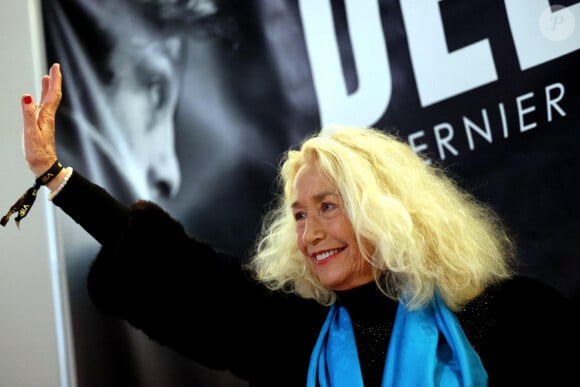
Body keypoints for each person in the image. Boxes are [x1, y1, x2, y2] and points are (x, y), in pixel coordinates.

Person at [6, 63, 579, 386]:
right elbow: (184, 274)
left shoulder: (511, 317)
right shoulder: (295, 340)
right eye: (300, 216)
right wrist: (56, 177)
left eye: (328, 207)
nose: (309, 233)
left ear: (386, 210)